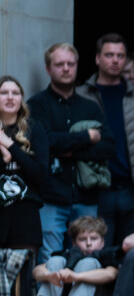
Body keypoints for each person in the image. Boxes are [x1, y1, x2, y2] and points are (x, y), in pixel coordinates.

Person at [76, 34, 134, 245]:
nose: (115, 60)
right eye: (109, 55)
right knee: (96, 253)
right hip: (95, 193)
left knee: (132, 254)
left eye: (120, 56)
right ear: (97, 58)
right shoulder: (81, 95)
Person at [29, 43, 114, 259]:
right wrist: (86, 138)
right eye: (59, 64)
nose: (66, 68)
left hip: (87, 197)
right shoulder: (37, 105)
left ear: (77, 66)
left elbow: (108, 146)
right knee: (50, 260)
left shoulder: (91, 107)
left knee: (88, 258)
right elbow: (45, 142)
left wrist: (69, 151)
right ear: (48, 69)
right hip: (50, 196)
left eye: (70, 64)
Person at [31, 216, 118, 296]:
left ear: (102, 242)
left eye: (93, 238)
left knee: (89, 263)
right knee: (56, 260)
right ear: (74, 243)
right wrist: (50, 276)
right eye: (82, 239)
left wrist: (76, 276)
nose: (89, 243)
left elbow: (111, 274)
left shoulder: (107, 257)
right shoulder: (68, 255)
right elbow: (37, 271)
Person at [0, 75, 47, 253]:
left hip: (25, 215)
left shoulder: (34, 129)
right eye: (4, 93)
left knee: (24, 270)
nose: (10, 97)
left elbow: (40, 175)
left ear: (21, 99)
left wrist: (10, 146)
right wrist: (4, 157)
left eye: (15, 93)